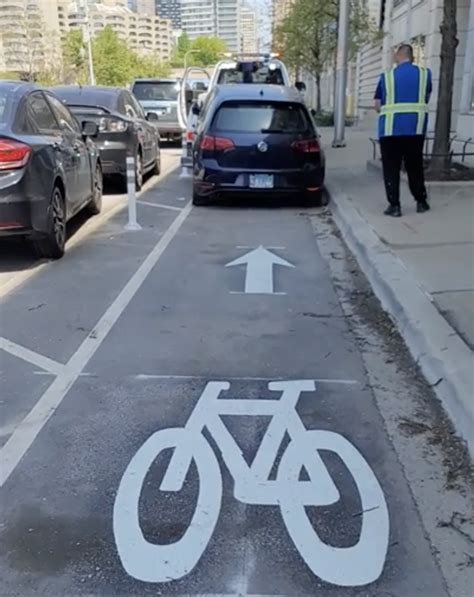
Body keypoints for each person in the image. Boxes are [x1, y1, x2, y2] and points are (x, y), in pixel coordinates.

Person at [374, 44, 432, 217]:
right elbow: (426, 97)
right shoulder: (424, 74)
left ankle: (395, 206)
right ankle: (421, 202)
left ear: (399, 55)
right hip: (415, 128)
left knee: (391, 168)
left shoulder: (387, 76)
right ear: (411, 56)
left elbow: (377, 105)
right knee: (415, 166)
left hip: (390, 130)